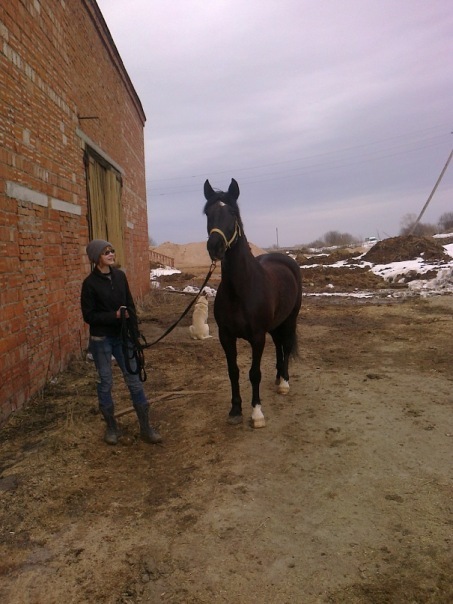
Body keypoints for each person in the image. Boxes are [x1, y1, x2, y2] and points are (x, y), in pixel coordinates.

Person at [81, 239, 162, 445]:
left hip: (123, 337)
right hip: (101, 339)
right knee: (105, 381)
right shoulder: (89, 284)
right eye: (106, 252)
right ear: (96, 257)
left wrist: (134, 334)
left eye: (112, 250)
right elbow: (89, 316)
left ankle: (145, 428)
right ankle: (111, 427)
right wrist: (114, 316)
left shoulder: (120, 276)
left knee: (134, 380)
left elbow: (130, 306)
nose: (111, 254)